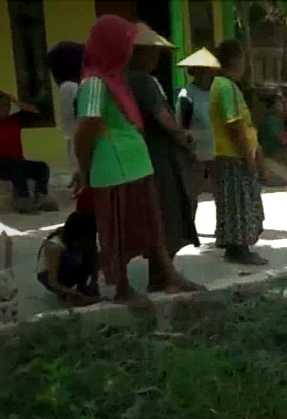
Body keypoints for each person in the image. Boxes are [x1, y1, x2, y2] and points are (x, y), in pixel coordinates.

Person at [75, 14, 201, 305]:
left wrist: (83, 167)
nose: (130, 49)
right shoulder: (100, 82)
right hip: (120, 164)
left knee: (136, 227)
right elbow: (87, 128)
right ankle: (129, 286)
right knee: (133, 227)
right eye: (126, 43)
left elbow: (90, 128)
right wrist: (83, 169)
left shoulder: (106, 81)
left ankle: (148, 281)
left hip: (125, 164)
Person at [127, 23, 201, 291]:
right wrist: (185, 141)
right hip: (158, 156)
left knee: (157, 215)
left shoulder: (121, 79)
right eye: (153, 52)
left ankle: (160, 276)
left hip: (142, 155)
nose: (157, 59)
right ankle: (165, 278)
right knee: (168, 214)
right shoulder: (142, 81)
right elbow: (164, 118)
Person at [209, 39, 268, 265]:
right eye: (243, 59)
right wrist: (249, 157)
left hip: (231, 153)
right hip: (232, 155)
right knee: (239, 203)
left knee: (233, 201)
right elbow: (234, 125)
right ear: (235, 60)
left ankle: (235, 247)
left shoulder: (224, 86)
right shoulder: (225, 86)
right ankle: (239, 249)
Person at [0, 90, 58, 213]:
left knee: (42, 167)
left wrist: (14, 100)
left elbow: (35, 112)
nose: (4, 109)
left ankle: (41, 198)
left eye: (6, 106)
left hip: (17, 161)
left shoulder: (15, 119)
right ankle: (22, 201)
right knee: (17, 168)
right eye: (0, 106)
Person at [45, 41, 94, 214]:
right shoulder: (76, 86)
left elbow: (70, 120)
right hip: (82, 140)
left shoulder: (69, 87)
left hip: (77, 140)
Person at [176, 47, 219, 207]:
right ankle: (190, 228)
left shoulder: (217, 91)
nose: (209, 75)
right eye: (205, 71)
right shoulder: (187, 94)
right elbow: (182, 125)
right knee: (192, 194)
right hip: (195, 151)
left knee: (220, 192)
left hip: (217, 150)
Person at [37, 211, 101, 306]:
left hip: (74, 270)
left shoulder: (88, 242)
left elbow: (94, 258)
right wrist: (71, 293)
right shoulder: (54, 245)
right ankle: (66, 294)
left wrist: (93, 282)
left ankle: (81, 286)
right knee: (69, 258)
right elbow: (52, 281)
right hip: (51, 275)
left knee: (91, 250)